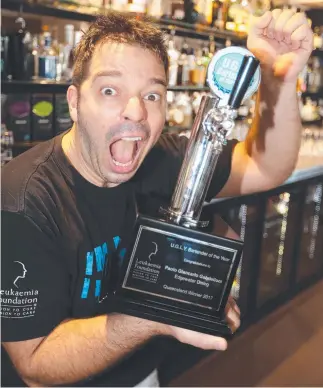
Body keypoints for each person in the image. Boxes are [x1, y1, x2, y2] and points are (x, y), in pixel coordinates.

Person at [1, 8, 313, 387]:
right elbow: (35, 366)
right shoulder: (21, 200)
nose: (136, 111)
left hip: (141, 373)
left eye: (152, 94)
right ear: (74, 102)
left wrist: (279, 79)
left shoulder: (163, 159)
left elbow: (266, 168)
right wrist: (157, 314)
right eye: (110, 90)